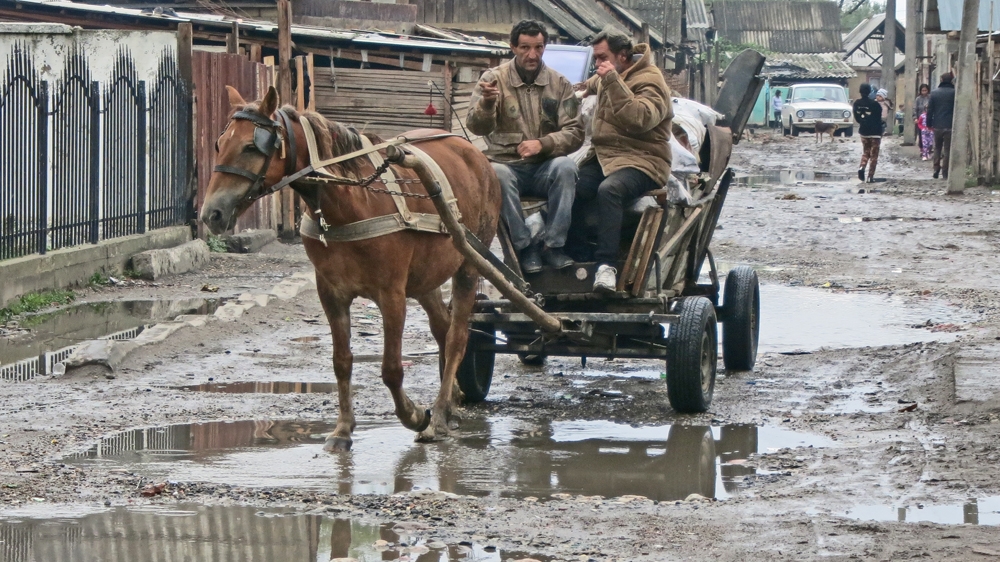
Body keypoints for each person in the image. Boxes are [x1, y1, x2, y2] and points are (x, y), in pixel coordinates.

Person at [467, 20, 584, 273]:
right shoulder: (493, 80)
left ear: (545, 47)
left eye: (538, 47)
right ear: (513, 47)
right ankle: (525, 246)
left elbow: (575, 132)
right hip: (508, 165)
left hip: (545, 167)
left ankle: (553, 246)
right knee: (496, 174)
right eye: (525, 47)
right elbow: (476, 128)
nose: (532, 54)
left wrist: (543, 144)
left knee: (566, 167)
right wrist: (487, 105)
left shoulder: (559, 83)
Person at [573, 27, 673, 293]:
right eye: (595, 58)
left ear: (623, 56)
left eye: (602, 58)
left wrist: (613, 81)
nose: (597, 64)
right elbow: (592, 83)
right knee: (571, 184)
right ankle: (578, 258)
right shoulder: (609, 73)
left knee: (610, 190)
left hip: (644, 159)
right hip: (607, 156)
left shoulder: (651, 80)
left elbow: (640, 118)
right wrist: (580, 91)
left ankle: (606, 267)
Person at [926, 72, 956, 179]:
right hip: (950, 125)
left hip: (937, 125)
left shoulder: (934, 93)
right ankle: (945, 171)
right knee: (947, 149)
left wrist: (929, 124)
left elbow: (930, 110)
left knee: (937, 148)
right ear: (951, 81)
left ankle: (936, 168)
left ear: (941, 80)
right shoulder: (954, 93)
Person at [853, 83, 883, 183]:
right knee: (874, 155)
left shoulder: (856, 104)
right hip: (875, 133)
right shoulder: (875, 104)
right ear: (870, 91)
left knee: (866, 152)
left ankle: (862, 167)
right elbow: (879, 118)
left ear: (860, 91)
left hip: (864, 132)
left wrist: (863, 122)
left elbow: (857, 118)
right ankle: (870, 177)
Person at [913, 83, 930, 154]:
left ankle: (928, 149)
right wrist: (915, 118)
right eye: (922, 90)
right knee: (921, 135)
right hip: (920, 120)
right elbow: (915, 109)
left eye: (925, 90)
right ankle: (922, 149)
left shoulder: (930, 98)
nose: (924, 92)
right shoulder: (918, 99)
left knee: (929, 134)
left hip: (929, 119)